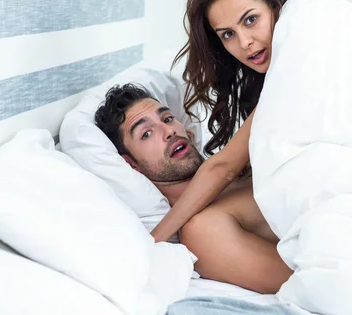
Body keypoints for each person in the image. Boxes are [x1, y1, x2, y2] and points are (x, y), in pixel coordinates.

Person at [94, 83, 291, 294]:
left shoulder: (247, 160)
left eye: (168, 119)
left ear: (188, 132)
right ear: (132, 165)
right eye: (146, 134)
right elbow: (306, 281)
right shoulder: (202, 230)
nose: (168, 131)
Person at [150, 0, 291, 244]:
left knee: (201, 230)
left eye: (251, 20)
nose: (245, 42)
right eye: (228, 34)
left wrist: (151, 242)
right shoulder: (273, 77)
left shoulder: (298, 68)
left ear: (275, 7)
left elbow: (223, 167)